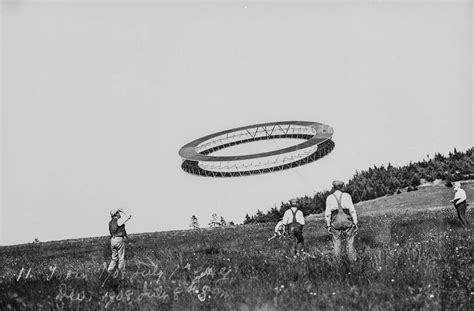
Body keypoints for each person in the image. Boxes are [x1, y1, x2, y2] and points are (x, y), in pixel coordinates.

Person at [325, 180, 358, 261]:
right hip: (346, 219)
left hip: (335, 220)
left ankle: (338, 262)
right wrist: (355, 222)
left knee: (336, 242)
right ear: (342, 187)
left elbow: (328, 213)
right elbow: (352, 210)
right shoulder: (347, 196)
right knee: (350, 241)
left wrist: (328, 225)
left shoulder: (329, 198)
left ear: (333, 188)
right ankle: (352, 260)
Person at [107, 208, 132, 273]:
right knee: (121, 257)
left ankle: (109, 271)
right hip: (119, 239)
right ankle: (121, 272)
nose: (119, 214)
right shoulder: (118, 221)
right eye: (118, 212)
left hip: (112, 240)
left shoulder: (110, 222)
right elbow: (129, 216)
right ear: (116, 214)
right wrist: (123, 211)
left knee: (114, 258)